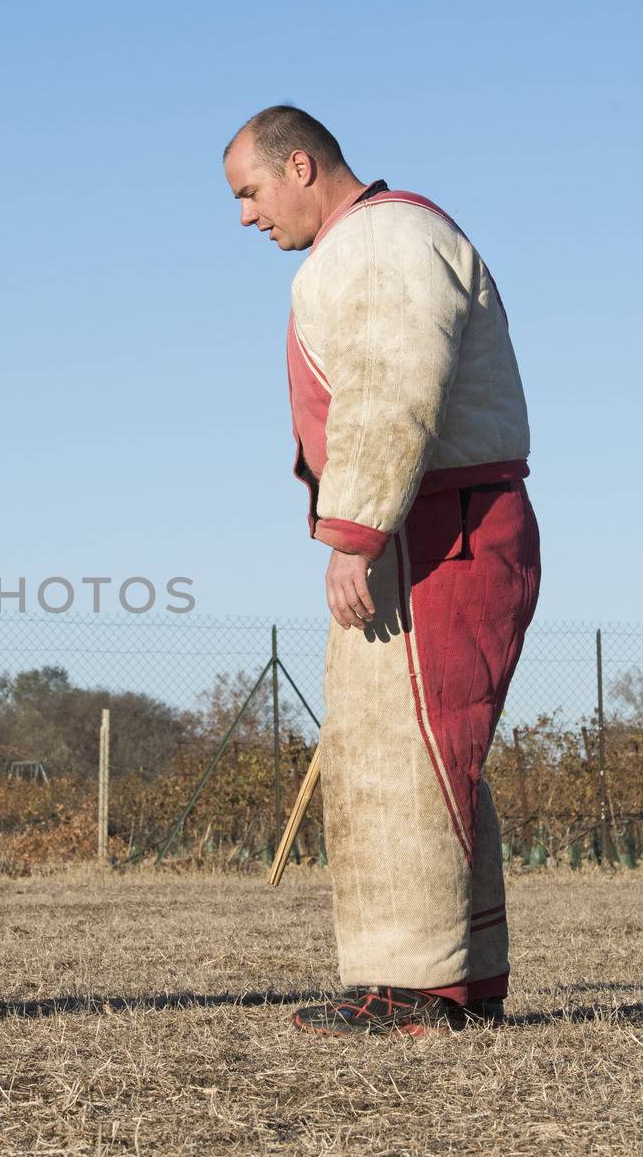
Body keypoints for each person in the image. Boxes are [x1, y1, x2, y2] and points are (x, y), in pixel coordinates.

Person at [223, 105, 540, 1035]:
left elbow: (390, 385)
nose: (246, 217)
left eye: (250, 192)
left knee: (405, 752)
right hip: (434, 516)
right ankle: (459, 980)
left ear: (299, 163)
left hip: (433, 524)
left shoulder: (382, 239)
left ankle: (410, 988)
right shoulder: (381, 239)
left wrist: (354, 531)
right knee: (431, 750)